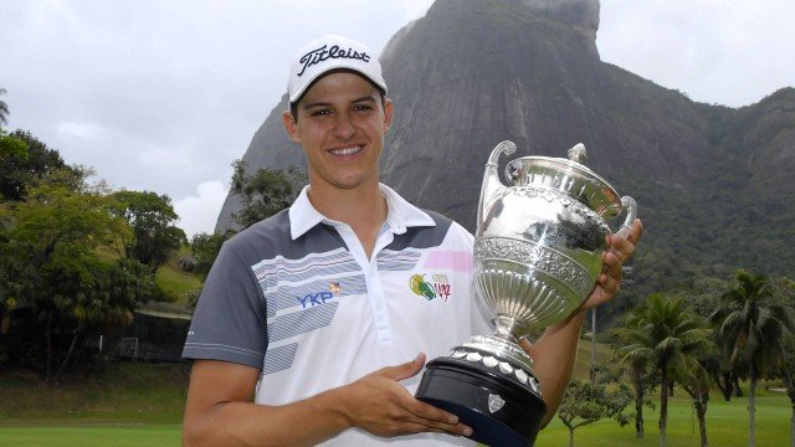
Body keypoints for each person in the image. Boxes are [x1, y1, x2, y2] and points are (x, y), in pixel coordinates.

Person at [181, 34, 643, 447]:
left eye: (361, 107)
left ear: (387, 115)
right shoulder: (250, 258)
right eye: (322, 112)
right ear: (292, 127)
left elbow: (526, 411)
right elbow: (205, 433)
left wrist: (572, 306)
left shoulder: (459, 245)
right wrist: (343, 408)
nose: (344, 128)